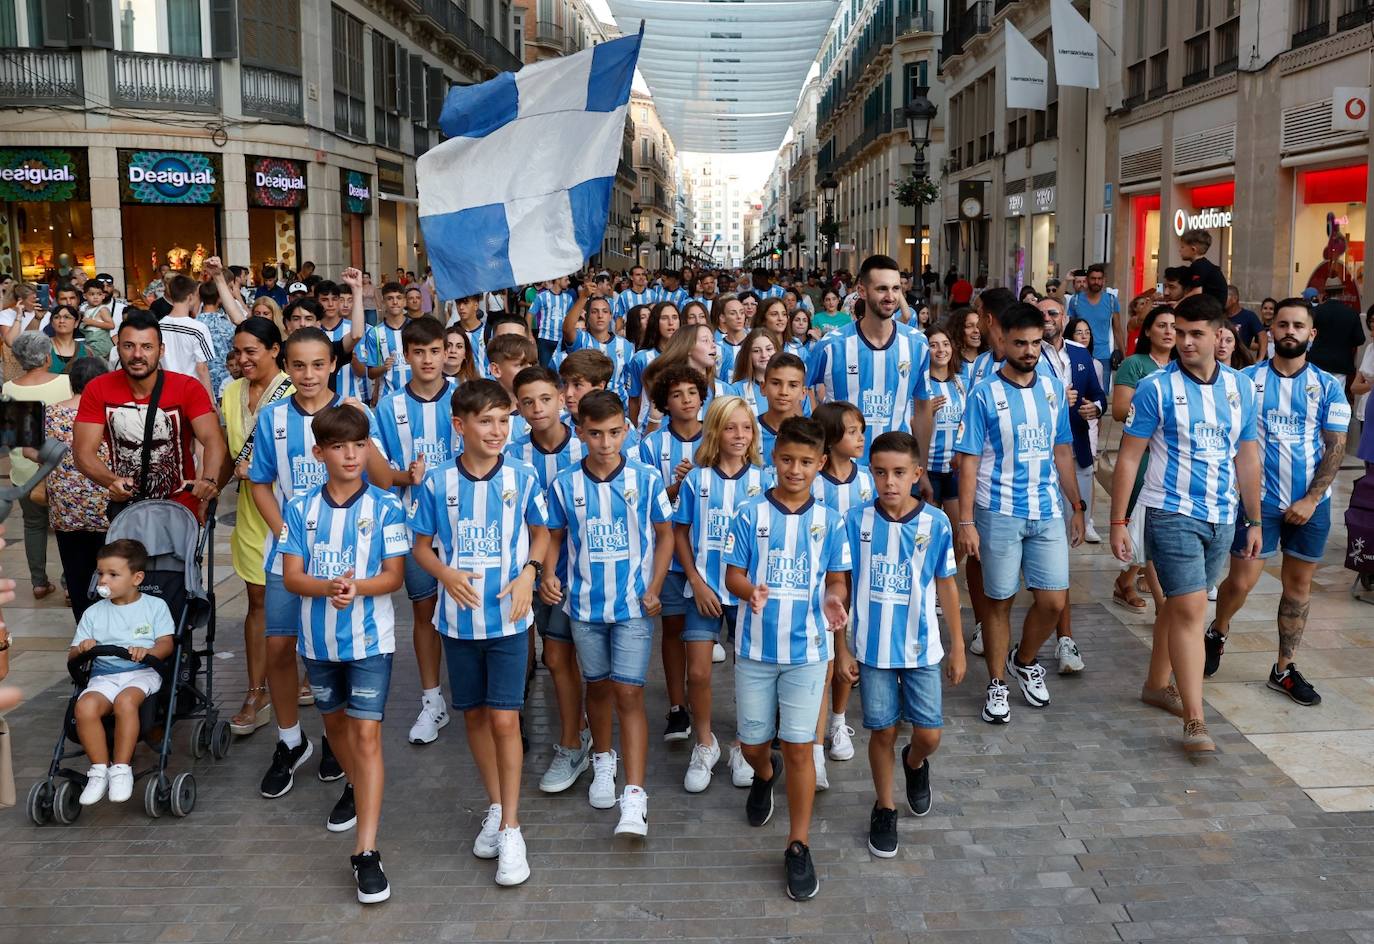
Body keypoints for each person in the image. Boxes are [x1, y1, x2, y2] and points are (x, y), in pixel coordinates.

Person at [411, 379, 549, 887]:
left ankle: (513, 826)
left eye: (503, 420)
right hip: (457, 622)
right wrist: (443, 573)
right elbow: (421, 545)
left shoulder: (523, 475)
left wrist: (530, 573)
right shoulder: (438, 481)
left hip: (510, 621)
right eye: (486, 420)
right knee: (472, 716)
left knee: (505, 719)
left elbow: (542, 530)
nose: (497, 430)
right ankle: (495, 805)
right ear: (460, 425)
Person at [1110, 294, 1262, 753]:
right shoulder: (1156, 388)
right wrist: (1118, 520)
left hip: (1223, 515)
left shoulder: (1241, 388)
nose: (1185, 341)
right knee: (1193, 609)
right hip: (1170, 512)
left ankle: (1156, 684)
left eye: (1197, 333)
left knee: (1178, 608)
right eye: (1180, 331)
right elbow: (1129, 457)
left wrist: (1253, 520)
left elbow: (1248, 456)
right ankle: (1195, 720)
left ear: (1220, 336)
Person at [249, 327, 392, 798]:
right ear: (285, 367)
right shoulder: (271, 418)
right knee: (279, 648)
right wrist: (288, 536)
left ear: (333, 364)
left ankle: (338, 739)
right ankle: (291, 740)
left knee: (336, 652)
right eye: (298, 365)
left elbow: (381, 479)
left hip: (351, 560)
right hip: (293, 556)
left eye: (317, 364)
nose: (308, 374)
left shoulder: (353, 412)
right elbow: (260, 483)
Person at [279, 405, 408, 904]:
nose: (350, 455)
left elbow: (393, 577)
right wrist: (327, 585)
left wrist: (356, 588)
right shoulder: (300, 508)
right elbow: (291, 577)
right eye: (338, 446)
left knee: (366, 735)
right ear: (320, 453)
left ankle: (366, 852)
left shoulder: (387, 507)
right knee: (335, 730)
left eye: (358, 445)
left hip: (372, 643)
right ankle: (357, 789)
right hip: (318, 643)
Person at [724, 416, 852, 902]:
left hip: (809, 654)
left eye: (805, 462)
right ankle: (763, 773)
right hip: (756, 650)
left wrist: (833, 599)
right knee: (755, 744)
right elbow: (733, 573)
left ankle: (798, 844)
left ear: (820, 463)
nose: (794, 470)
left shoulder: (831, 521)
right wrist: (747, 590)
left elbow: (836, 578)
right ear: (772, 458)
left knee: (801, 747)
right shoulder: (749, 514)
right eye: (785, 460)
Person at [540, 390, 673, 837]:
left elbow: (665, 535)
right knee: (596, 686)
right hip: (583, 607)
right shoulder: (564, 483)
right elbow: (555, 537)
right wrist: (548, 573)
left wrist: (655, 586)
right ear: (580, 433)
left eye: (614, 432)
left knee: (629, 692)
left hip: (633, 606)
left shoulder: (647, 479)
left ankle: (634, 796)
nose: (605, 442)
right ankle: (602, 760)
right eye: (595, 434)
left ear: (626, 430)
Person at [1206, 299, 1350, 705]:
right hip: (1258, 504)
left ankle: (1284, 668)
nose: (1290, 331)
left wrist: (1312, 498)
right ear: (1271, 330)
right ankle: (1218, 631)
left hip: (1310, 504)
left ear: (1311, 334)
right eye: (1282, 324)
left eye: (1298, 326)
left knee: (1298, 586)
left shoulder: (1328, 386)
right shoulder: (1245, 381)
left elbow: (1335, 448)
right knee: (1242, 582)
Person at [954, 302, 1085, 726]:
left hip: (1046, 510)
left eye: (1035, 342)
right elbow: (969, 460)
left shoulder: (1050, 388)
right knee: (999, 602)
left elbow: (1062, 448)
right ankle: (995, 682)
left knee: (1052, 600)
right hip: (998, 512)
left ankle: (1024, 659)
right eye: (1020, 343)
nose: (1029, 350)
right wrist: (968, 521)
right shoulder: (984, 393)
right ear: (1003, 341)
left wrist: (1077, 506)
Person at [844, 431, 964, 857]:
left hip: (921, 650)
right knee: (883, 730)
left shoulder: (935, 523)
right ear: (870, 473)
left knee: (928, 734)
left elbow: (946, 585)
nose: (889, 482)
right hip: (872, 650)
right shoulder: (854, 521)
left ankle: (915, 764)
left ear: (916, 474)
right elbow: (840, 586)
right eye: (880, 473)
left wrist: (958, 646)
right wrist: (843, 648)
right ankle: (884, 805)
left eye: (899, 473)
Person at [672, 395, 769, 793]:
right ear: (715, 430)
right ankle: (705, 742)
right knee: (697, 671)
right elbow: (679, 530)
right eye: (730, 427)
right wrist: (694, 579)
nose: (739, 435)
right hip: (704, 591)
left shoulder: (764, 481)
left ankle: (742, 746)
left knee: (749, 674)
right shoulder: (698, 479)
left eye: (746, 427)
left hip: (744, 593)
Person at [504, 367, 593, 793]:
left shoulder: (586, 445)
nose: (537, 409)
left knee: (587, 661)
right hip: (536, 574)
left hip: (591, 571)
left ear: (561, 398)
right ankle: (572, 740)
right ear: (517, 408)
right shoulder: (512, 454)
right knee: (555, 658)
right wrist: (536, 571)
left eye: (544, 398)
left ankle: (589, 739)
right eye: (527, 402)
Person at [374, 318, 461, 745]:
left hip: (466, 528)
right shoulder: (389, 407)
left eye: (435, 351)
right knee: (424, 612)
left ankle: (478, 698)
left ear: (447, 352)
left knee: (469, 607)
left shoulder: (462, 398)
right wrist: (403, 477)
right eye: (418, 352)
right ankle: (432, 701)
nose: (427, 360)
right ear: (406, 356)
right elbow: (379, 471)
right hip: (414, 530)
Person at [219, 318, 291, 736]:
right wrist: (213, 482)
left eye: (252, 351)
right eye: (238, 351)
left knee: (299, 596)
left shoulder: (295, 390)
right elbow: (228, 451)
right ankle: (256, 689)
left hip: (291, 509)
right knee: (257, 598)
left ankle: (303, 673)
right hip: (248, 511)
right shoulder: (230, 392)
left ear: (274, 350)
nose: (243, 359)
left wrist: (259, 469)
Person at [71, 539, 176, 807]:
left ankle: (120, 768)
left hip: (141, 672)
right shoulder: (93, 613)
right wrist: (82, 649)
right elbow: (72, 655)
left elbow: (166, 643)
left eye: (113, 574)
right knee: (84, 707)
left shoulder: (154, 607)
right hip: (104, 674)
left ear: (136, 578)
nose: (104, 580)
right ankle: (99, 770)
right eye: (101, 573)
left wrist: (150, 651)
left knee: (125, 701)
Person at [637, 364, 708, 742]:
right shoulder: (650, 445)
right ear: (664, 402)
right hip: (668, 554)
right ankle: (677, 706)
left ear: (702, 398)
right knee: (672, 629)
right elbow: (648, 503)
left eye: (692, 393)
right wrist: (674, 487)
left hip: (707, 554)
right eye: (677, 394)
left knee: (704, 635)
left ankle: (704, 703)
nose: (685, 400)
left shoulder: (714, 439)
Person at [808, 255, 934, 462]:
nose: (890, 296)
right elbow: (801, 391)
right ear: (862, 291)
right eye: (882, 288)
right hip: (841, 471)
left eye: (895, 289)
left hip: (897, 468)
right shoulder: (831, 345)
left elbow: (922, 408)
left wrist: (922, 468)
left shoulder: (917, 344)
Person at [810, 400, 873, 782]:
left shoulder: (867, 479)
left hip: (858, 580)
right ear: (831, 439)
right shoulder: (814, 482)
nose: (860, 437)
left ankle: (838, 720)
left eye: (861, 429)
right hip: (823, 582)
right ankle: (816, 738)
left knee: (846, 655)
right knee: (829, 656)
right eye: (852, 431)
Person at [33, 356, 107, 620]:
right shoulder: (110, 411)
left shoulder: (50, 411)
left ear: (71, 382)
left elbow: (31, 451)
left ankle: (84, 625)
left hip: (66, 508)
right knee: (109, 571)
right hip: (106, 506)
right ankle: (108, 625)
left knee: (76, 572)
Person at [4, 332, 70, 599]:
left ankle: (39, 582)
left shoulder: (10, 388)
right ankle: (69, 586)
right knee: (66, 527)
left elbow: (14, 438)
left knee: (33, 525)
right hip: (63, 468)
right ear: (47, 356)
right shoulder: (65, 383)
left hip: (25, 470)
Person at [561, 284, 634, 402]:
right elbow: (567, 329)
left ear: (610, 316)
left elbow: (629, 383)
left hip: (618, 407)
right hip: (586, 404)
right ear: (587, 317)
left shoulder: (625, 345)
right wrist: (583, 297)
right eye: (595, 312)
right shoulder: (581, 339)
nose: (600, 316)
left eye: (605, 311)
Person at [156, 275, 215, 397]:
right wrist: (209, 399)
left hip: (166, 389)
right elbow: (202, 368)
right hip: (191, 390)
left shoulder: (158, 327)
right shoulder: (198, 328)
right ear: (191, 296)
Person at [1065, 263, 1121, 384]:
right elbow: (1071, 329)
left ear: (1104, 280)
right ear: (1087, 280)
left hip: (1103, 355)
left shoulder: (1111, 300)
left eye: (1099, 279)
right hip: (1080, 353)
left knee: (1102, 395)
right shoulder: (1075, 300)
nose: (1096, 282)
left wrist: (1124, 354)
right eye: (1093, 278)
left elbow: (1117, 329)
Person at [1308, 276, 1367, 391]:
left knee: (1313, 395)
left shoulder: (1316, 312)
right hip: (1340, 363)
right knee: (1336, 397)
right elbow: (1360, 339)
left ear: (1325, 292)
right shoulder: (1351, 313)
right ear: (1342, 292)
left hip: (1316, 362)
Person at [362, 282, 413, 402]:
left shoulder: (417, 327)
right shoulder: (375, 333)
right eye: (390, 298)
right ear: (383, 302)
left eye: (399, 298)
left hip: (415, 395)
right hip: (387, 397)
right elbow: (371, 373)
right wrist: (384, 367)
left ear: (404, 301)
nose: (395, 302)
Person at [756, 352, 809, 465]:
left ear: (803, 393)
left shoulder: (811, 434)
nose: (783, 392)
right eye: (776, 383)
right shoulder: (747, 431)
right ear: (763, 387)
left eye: (793, 385)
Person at [529, 276, 574, 368]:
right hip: (545, 340)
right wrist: (529, 335)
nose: (569, 282)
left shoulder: (568, 298)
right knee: (545, 370)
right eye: (566, 280)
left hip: (562, 340)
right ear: (557, 280)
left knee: (562, 370)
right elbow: (530, 315)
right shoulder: (542, 296)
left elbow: (572, 318)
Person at [47, 306, 88, 375]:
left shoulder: (86, 351)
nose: (61, 321)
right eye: (57, 317)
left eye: (67, 317)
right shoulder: (43, 347)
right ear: (52, 323)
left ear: (76, 323)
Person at [1224, 285, 1264, 354]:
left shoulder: (1249, 316)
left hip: (1241, 361)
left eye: (1225, 297)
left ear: (1234, 299)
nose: (1222, 299)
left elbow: (1263, 336)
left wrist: (1260, 359)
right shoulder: (1219, 316)